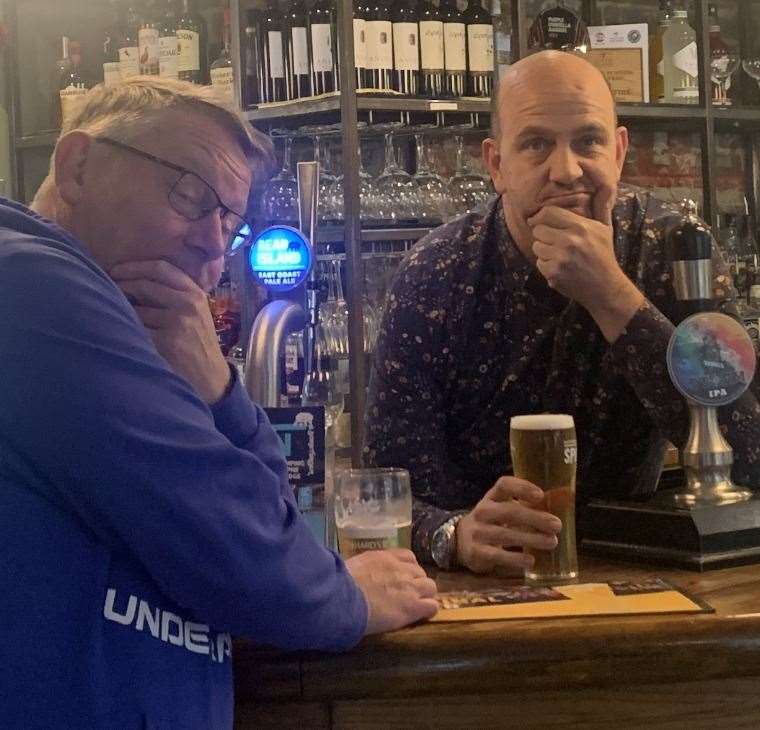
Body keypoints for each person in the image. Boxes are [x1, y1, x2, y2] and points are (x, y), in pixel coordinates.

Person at [0, 78, 437, 729]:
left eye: (229, 222)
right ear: (78, 166)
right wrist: (347, 596)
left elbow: (266, 513)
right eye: (191, 193)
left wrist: (218, 389)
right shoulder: (32, 285)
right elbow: (254, 557)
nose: (212, 243)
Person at [364, 51, 760, 576]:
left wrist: (613, 296)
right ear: (497, 165)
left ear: (620, 152)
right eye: (536, 144)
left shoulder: (674, 252)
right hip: (479, 585)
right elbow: (384, 490)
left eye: (589, 141)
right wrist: (456, 535)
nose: (566, 170)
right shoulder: (434, 275)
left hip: (644, 568)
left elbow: (751, 455)